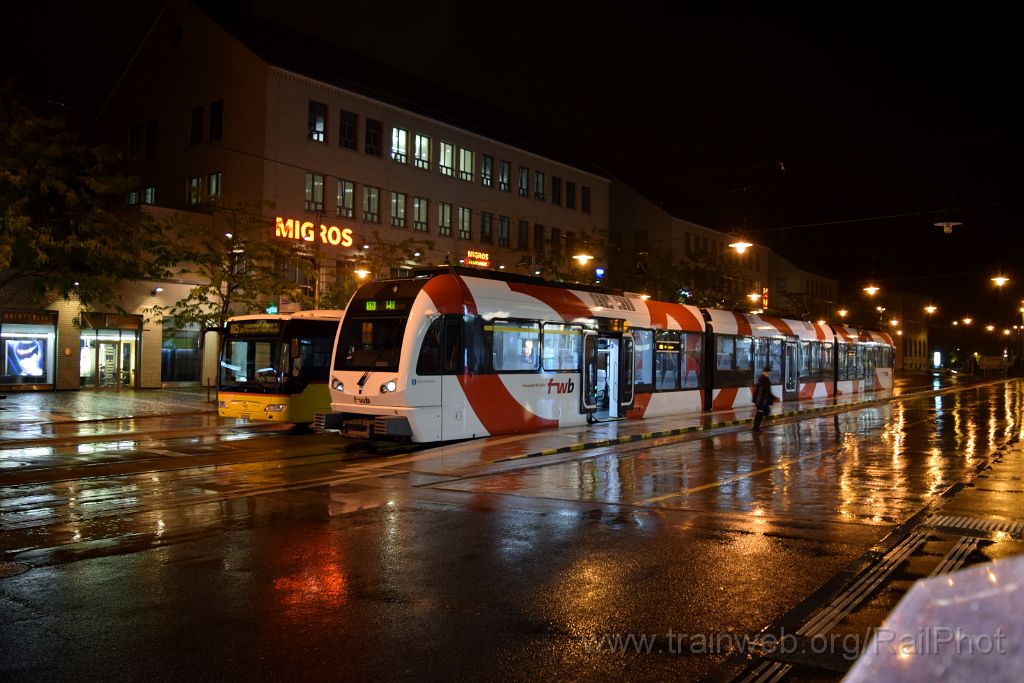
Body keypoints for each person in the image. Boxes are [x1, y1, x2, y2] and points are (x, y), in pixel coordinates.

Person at [752, 365, 774, 432]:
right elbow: (763, 392)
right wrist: (759, 402)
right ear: (765, 372)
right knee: (760, 414)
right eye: (769, 373)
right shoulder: (763, 380)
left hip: (761, 401)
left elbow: (767, 392)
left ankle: (756, 428)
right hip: (761, 401)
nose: (769, 374)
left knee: (760, 414)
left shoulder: (763, 379)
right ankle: (756, 428)